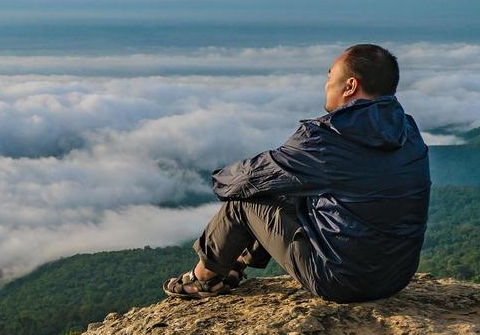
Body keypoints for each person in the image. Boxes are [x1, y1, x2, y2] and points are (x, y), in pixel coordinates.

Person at [164, 44, 430, 303]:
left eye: (330, 77)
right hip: (396, 276)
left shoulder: (325, 140)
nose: (326, 85)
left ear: (350, 86)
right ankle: (233, 264)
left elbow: (250, 178)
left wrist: (215, 179)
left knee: (243, 203)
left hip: (342, 281)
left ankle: (202, 279)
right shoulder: (407, 130)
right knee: (293, 190)